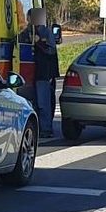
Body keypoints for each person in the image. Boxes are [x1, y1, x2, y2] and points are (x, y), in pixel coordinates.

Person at [28, 8, 59, 137]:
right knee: (34, 102)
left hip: (43, 72)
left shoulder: (46, 33)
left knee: (43, 103)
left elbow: (51, 51)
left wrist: (39, 42)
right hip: (29, 72)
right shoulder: (27, 31)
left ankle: (46, 129)